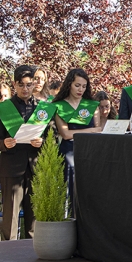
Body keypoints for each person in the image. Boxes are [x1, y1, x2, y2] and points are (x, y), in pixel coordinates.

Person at [0, 65, 57, 239]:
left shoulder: (44, 108)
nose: (25, 89)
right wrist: (4, 143)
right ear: (14, 84)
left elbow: (53, 137)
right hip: (11, 167)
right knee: (10, 215)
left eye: (28, 85)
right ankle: (9, 252)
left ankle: (32, 250)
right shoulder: (3, 108)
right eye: (21, 85)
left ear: (35, 84)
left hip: (35, 166)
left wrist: (43, 142)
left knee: (34, 215)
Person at [52, 69, 102, 210]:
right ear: (69, 84)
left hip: (90, 151)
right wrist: (90, 130)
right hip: (69, 151)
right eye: (77, 85)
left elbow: (99, 130)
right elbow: (66, 134)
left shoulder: (92, 106)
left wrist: (89, 131)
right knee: (69, 188)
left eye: (84, 86)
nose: (81, 89)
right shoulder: (59, 106)